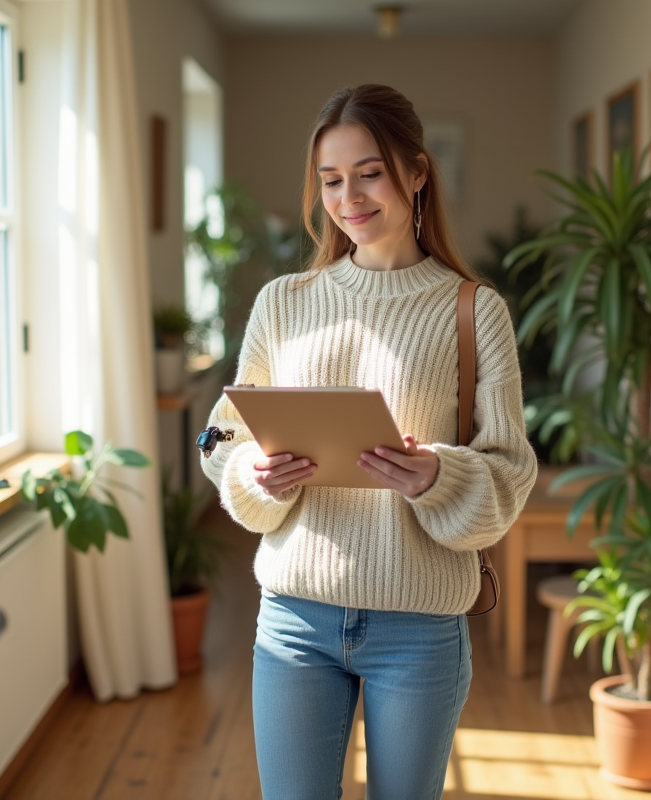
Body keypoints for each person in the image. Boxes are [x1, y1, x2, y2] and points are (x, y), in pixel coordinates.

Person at [198, 84, 537, 800]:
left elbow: (510, 475)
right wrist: (256, 474)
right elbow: (225, 438)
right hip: (293, 619)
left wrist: (432, 475)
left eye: (369, 172)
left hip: (420, 629)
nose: (347, 196)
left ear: (417, 172)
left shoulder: (477, 312)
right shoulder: (283, 303)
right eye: (330, 180)